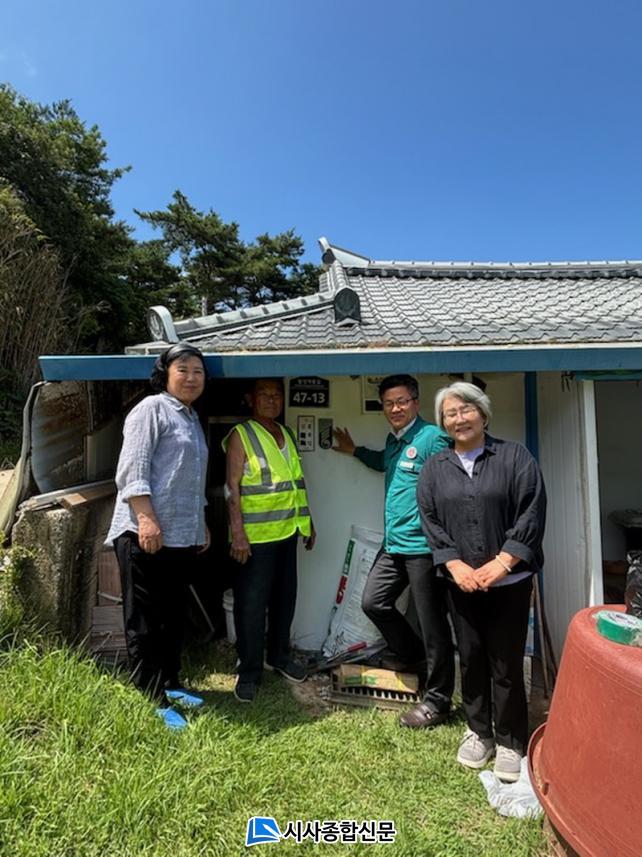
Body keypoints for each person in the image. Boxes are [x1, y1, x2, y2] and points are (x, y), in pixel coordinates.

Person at [417, 381, 546, 782]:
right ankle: (479, 732)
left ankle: (510, 740)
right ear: (443, 423)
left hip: (509, 582)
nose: (459, 419)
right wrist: (454, 564)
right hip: (462, 583)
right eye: (450, 414)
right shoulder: (435, 468)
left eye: (466, 410)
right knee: (471, 658)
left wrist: (504, 561)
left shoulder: (515, 457)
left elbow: (532, 510)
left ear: (483, 414)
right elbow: (430, 519)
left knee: (505, 662)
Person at [332, 374, 454, 729]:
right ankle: (413, 656)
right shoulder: (394, 441)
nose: (395, 408)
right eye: (389, 403)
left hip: (423, 547)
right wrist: (355, 450)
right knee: (374, 602)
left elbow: (454, 482)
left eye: (402, 401)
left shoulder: (432, 437)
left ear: (416, 402)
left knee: (433, 625)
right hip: (395, 543)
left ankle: (438, 701)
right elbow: (386, 463)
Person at [107, 343, 210, 730]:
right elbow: (132, 469)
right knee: (145, 618)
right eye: (183, 370)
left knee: (171, 615)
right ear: (164, 375)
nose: (191, 377)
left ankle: (171, 683)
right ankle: (150, 695)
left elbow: (190, 477)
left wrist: (201, 522)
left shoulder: (191, 418)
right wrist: (146, 519)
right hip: (144, 531)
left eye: (198, 371)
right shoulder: (151, 409)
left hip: (181, 534)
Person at [224, 378, 315, 703]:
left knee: (284, 600)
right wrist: (238, 533)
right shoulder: (241, 435)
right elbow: (231, 488)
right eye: (264, 394)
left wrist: (308, 522)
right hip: (254, 539)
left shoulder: (286, 433)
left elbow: (295, 482)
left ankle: (278, 656)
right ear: (251, 399)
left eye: (277, 395)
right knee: (251, 606)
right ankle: (249, 671)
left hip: (288, 533)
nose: (271, 400)